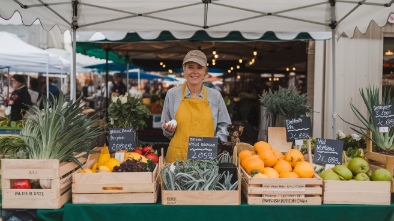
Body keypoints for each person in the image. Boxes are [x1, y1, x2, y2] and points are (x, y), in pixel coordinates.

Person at [161, 50, 231, 163]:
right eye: (190, 67)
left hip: (206, 161)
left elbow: (224, 124)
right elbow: (165, 127)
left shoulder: (215, 96)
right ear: (184, 69)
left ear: (205, 71)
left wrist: (217, 143)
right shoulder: (172, 94)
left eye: (199, 67)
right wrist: (168, 129)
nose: (195, 71)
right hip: (177, 160)